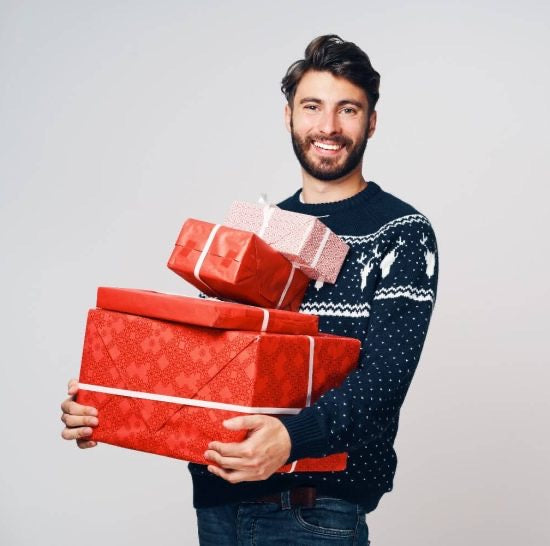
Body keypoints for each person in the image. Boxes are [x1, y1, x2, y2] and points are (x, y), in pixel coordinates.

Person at [61, 35, 439, 545]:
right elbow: (205, 362)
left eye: (347, 109)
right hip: (220, 504)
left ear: (371, 122)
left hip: (312, 510)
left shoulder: (400, 232)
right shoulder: (256, 234)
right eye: (312, 106)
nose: (328, 127)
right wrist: (112, 403)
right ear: (288, 116)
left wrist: (289, 438)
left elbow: (385, 377)